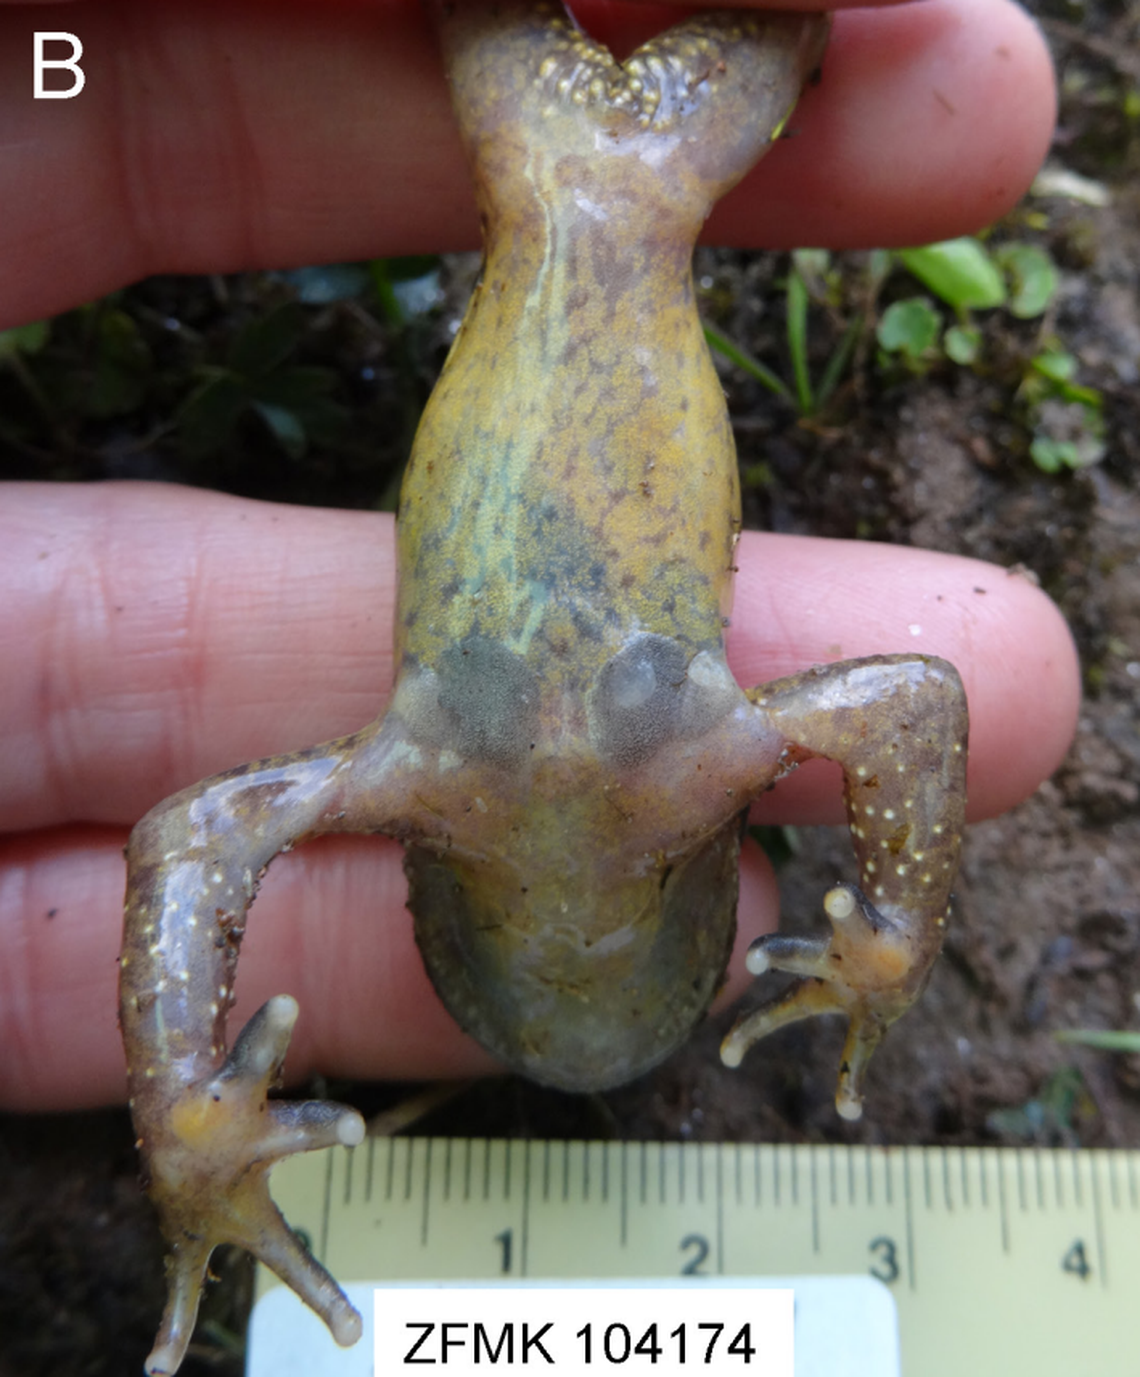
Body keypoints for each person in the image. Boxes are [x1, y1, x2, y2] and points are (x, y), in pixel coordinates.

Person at [0, 0, 1075, 1112]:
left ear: (447, 904)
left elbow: (192, 835)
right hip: (632, 182)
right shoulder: (691, 753)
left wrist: (186, 1106)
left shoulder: (427, 768)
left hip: (580, 178)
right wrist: (893, 939)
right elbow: (912, 705)